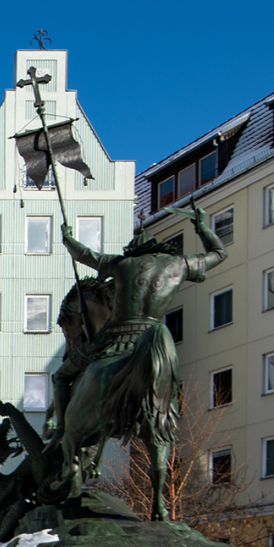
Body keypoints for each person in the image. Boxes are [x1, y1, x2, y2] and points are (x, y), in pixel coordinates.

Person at [49, 206, 228, 516]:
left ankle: (63, 433)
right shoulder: (179, 264)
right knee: (162, 418)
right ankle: (159, 504)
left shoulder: (122, 264)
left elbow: (85, 256)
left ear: (135, 249)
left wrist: (67, 239)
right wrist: (202, 227)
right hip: (154, 340)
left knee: (61, 377)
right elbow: (219, 253)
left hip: (115, 339)